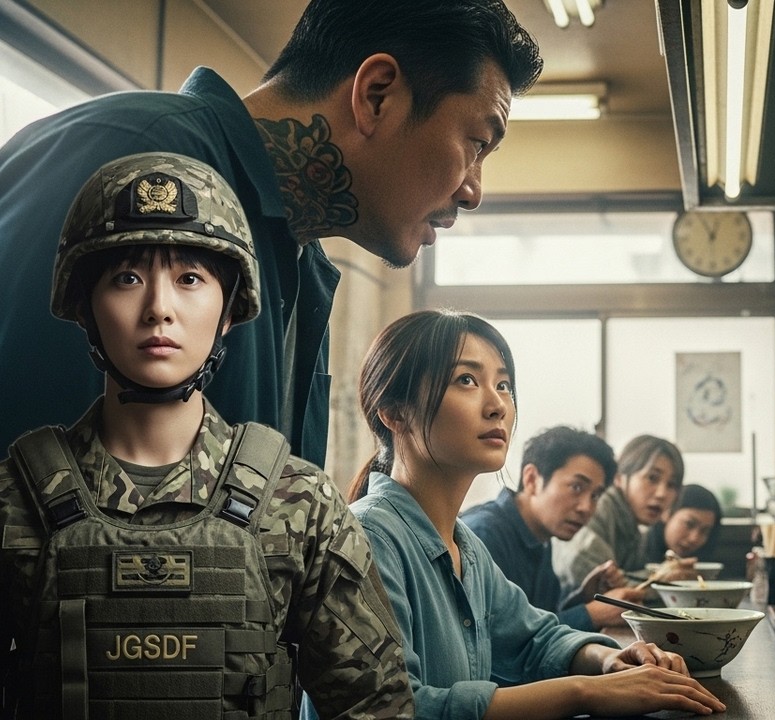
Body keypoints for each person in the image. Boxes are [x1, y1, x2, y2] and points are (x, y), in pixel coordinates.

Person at [0, 0, 543, 467]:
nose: (473, 191)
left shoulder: (299, 266)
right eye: (477, 144)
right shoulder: (138, 160)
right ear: (378, 95)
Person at [0, 152, 411, 717]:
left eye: (189, 278)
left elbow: (375, 704)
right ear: (86, 306)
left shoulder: (299, 504)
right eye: (127, 278)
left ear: (227, 311)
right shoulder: (12, 502)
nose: (158, 309)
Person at [306, 310, 725, 719]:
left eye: (503, 384)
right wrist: (586, 692)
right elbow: (398, 707)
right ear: (395, 412)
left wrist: (609, 661)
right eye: (466, 380)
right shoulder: (367, 538)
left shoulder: (465, 547)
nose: (497, 406)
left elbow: (534, 639)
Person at [461, 426, 647, 631]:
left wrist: (584, 598)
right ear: (532, 479)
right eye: (576, 487)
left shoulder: (541, 537)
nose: (587, 507)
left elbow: (539, 616)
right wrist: (590, 615)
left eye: (595, 495)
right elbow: (495, 641)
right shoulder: (483, 535)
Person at [552, 435, 688, 597]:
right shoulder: (597, 509)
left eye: (671, 485)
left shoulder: (632, 525)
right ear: (619, 478)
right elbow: (611, 591)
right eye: (652, 478)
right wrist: (675, 583)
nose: (662, 494)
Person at [640, 484, 724, 566]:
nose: (694, 538)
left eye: (704, 531)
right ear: (667, 513)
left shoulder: (706, 566)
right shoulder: (634, 554)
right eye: (689, 524)